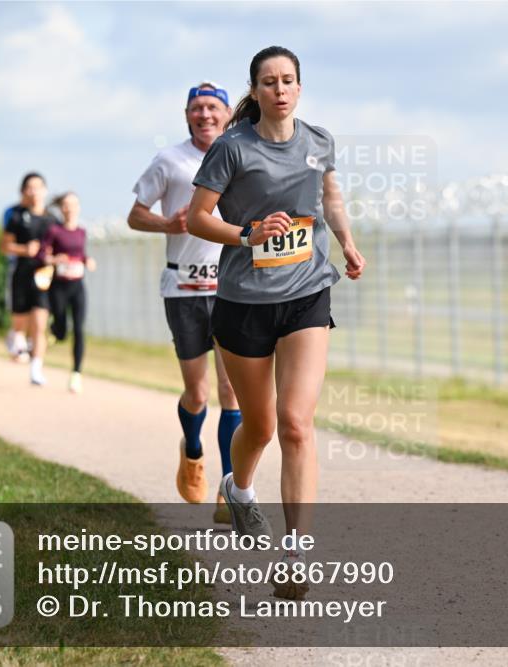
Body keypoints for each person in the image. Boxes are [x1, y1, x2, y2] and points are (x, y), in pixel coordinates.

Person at [187, 46, 365, 598]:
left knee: (295, 423)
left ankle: (296, 555)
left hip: (307, 293)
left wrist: (348, 244)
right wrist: (247, 234)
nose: (280, 90)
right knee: (259, 426)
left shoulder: (319, 142)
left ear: (300, 87)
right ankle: (239, 489)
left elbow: (330, 198)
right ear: (256, 90)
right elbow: (198, 216)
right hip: (243, 302)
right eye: (269, 82)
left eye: (288, 80)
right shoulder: (232, 149)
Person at [129, 81, 241, 524]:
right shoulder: (170, 161)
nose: (205, 114)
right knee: (198, 392)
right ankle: (192, 451)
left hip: (232, 288)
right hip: (184, 289)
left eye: (213, 107)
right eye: (197, 108)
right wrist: (166, 225)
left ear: (228, 114)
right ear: (187, 115)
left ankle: (230, 490)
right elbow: (135, 214)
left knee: (231, 392)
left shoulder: (239, 155)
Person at [2, 173, 57, 385]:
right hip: (21, 274)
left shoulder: (52, 219)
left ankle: (36, 368)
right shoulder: (17, 216)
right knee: (20, 323)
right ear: (24, 191)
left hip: (43, 276)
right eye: (30, 188)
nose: (34, 192)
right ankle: (15, 337)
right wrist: (25, 249)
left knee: (40, 324)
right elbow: (5, 245)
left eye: (38, 187)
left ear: (45, 190)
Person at [41, 192, 95, 393]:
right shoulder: (54, 231)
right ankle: (56, 330)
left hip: (77, 286)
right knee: (62, 330)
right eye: (66, 205)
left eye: (73, 204)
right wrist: (55, 260)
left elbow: (81, 254)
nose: (70, 208)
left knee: (79, 329)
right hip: (59, 287)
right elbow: (42, 254)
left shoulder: (82, 231)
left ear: (78, 207)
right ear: (61, 208)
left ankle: (76, 374)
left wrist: (87, 261)